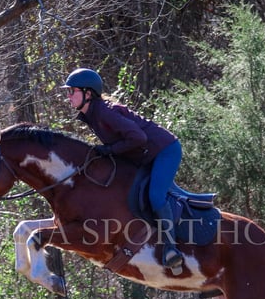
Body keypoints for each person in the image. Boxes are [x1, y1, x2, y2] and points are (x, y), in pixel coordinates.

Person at [62, 67, 184, 270]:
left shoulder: (104, 112)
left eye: (71, 91)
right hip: (145, 154)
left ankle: (172, 248)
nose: (68, 96)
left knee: (155, 197)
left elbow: (139, 138)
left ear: (88, 93)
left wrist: (108, 149)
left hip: (165, 150)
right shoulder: (92, 113)